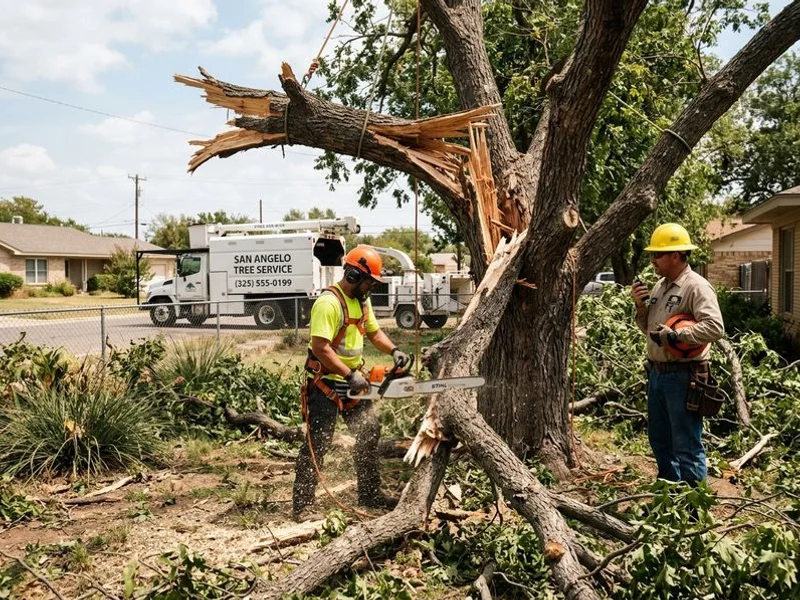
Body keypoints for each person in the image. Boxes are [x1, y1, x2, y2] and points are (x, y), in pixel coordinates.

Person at [292, 245, 411, 521]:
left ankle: (369, 494)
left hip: (352, 382)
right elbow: (321, 348)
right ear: (355, 275)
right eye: (369, 280)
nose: (372, 286)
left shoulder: (362, 301)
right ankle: (302, 505)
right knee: (318, 441)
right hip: (326, 384)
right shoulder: (328, 303)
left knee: (369, 430)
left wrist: (394, 351)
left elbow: (374, 332)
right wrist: (349, 374)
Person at [631, 223, 724, 485]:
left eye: (657, 255)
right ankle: (671, 497)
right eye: (651, 255)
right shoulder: (661, 286)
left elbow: (715, 327)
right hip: (658, 375)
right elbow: (649, 328)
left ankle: (694, 509)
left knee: (686, 444)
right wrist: (641, 306)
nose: (652, 260)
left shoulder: (696, 286)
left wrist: (677, 336)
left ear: (675, 255)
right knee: (660, 441)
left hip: (684, 377)